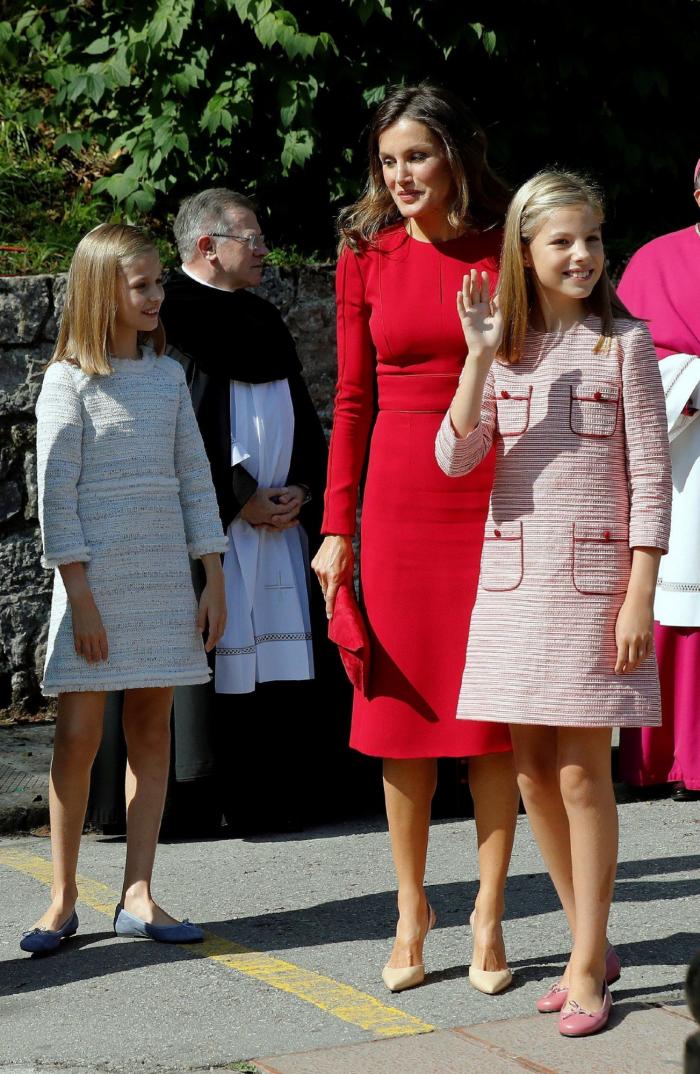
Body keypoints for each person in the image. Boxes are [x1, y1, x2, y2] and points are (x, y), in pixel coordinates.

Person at [436, 170, 671, 1036]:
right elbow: (456, 459)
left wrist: (639, 592)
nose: (582, 255)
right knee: (530, 768)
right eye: (562, 241)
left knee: (581, 771)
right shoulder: (504, 350)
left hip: (599, 586)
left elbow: (651, 479)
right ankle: (589, 940)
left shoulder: (627, 345)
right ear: (524, 254)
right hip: (513, 586)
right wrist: (475, 356)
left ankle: (586, 962)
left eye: (593, 239)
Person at [312, 83, 520, 995]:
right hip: (396, 500)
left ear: (456, 156)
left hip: (491, 493)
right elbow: (351, 399)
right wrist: (334, 527)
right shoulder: (366, 253)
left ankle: (488, 912)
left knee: (491, 724)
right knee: (401, 723)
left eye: (417, 157)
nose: (399, 175)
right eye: (388, 160)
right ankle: (410, 909)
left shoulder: (502, 243)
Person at [22, 223, 228, 955]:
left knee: (152, 730)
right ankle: (62, 897)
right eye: (139, 284)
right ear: (99, 290)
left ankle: (138, 892)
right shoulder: (67, 380)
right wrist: (78, 595)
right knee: (77, 738)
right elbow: (56, 493)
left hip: (164, 579)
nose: (155, 295)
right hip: (94, 585)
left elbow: (195, 480)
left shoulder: (168, 376)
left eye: (156, 283)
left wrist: (213, 574)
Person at [159, 188, 342, 831]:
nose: (264, 250)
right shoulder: (166, 318)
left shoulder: (262, 317)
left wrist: (299, 487)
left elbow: (296, 417)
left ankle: (278, 790)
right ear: (209, 248)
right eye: (252, 239)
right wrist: (240, 499)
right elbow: (179, 429)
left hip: (280, 524)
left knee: (280, 651)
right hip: (214, 531)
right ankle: (201, 796)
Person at [616, 161, 700, 803]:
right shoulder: (657, 260)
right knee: (679, 604)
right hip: (687, 457)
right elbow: (631, 361)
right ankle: (668, 757)